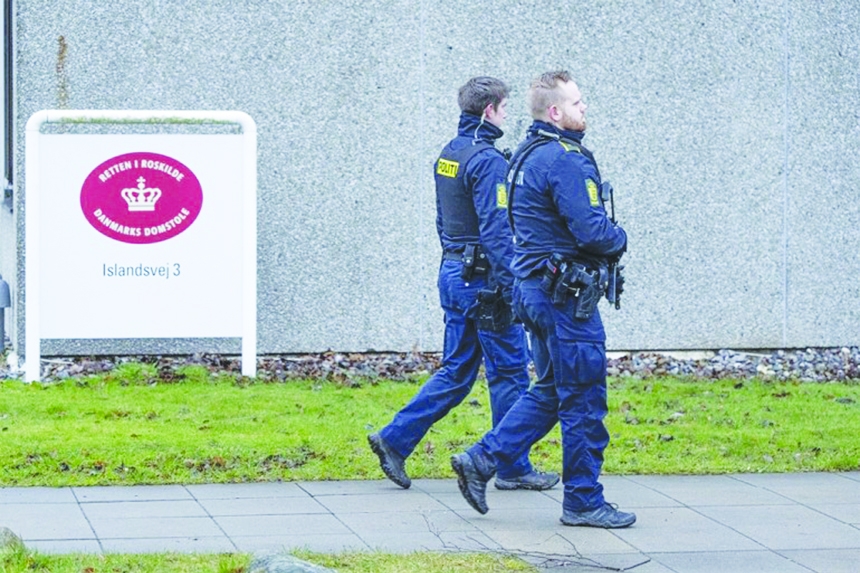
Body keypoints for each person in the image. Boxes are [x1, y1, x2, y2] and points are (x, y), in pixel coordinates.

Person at [450, 71, 635, 528]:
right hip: (565, 299)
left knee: (552, 391)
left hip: (535, 292)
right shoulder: (564, 160)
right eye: (576, 103)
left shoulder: (526, 156)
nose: (584, 108)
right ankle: (584, 501)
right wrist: (620, 237)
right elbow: (593, 232)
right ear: (555, 112)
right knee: (584, 399)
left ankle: (481, 460)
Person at [368, 76, 559, 493]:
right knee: (509, 371)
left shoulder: (450, 153)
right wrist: (516, 289)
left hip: (454, 273)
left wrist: (455, 258)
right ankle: (511, 466)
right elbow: (496, 231)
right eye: (505, 108)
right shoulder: (489, 160)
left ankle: (394, 439)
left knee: (457, 371)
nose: (508, 115)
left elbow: (442, 218)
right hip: (486, 283)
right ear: (489, 110)